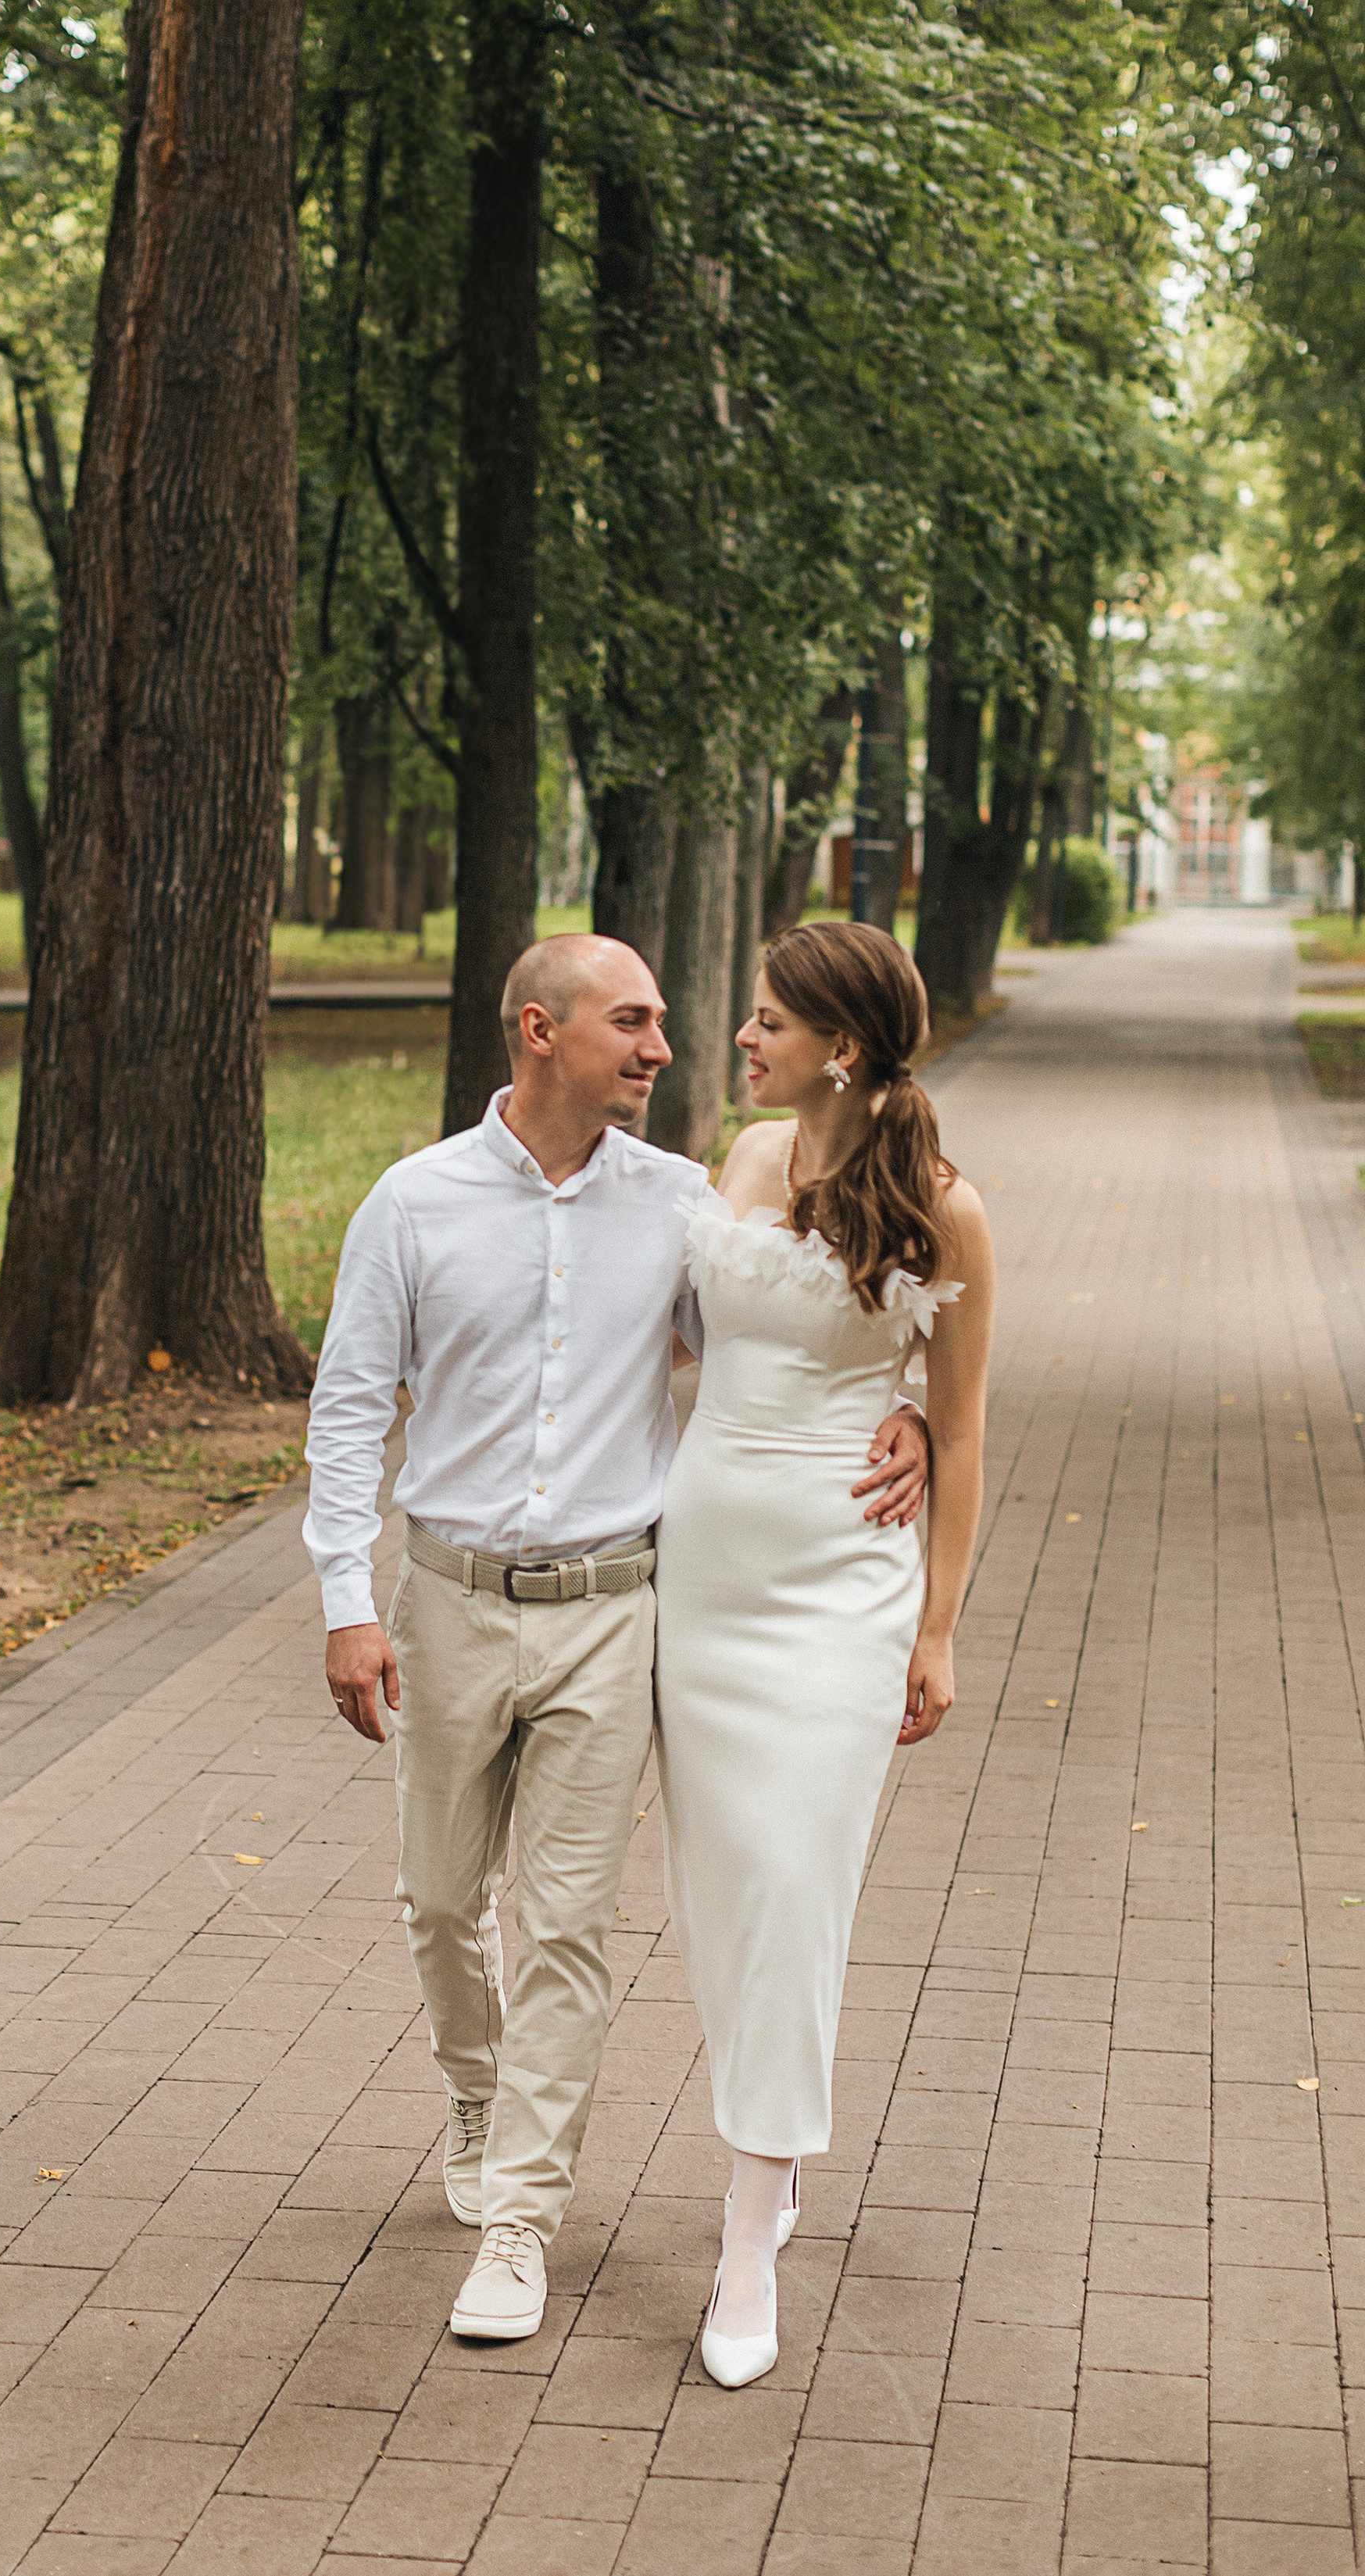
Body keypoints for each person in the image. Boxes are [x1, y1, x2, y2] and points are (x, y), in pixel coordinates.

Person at [305, 932, 928, 2345]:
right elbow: (350, 1408)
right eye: (633, 1023)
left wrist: (915, 1404)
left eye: (665, 1022)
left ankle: (521, 2220)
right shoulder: (414, 1202)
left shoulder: (680, 1202)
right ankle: (477, 2090)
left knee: (570, 1925)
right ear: (542, 1029)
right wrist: (348, 1596)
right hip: (448, 1599)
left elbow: (799, 1332)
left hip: (614, 1610)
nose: (664, 1047)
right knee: (442, 1898)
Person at [653, 920, 995, 2389]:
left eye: (771, 1016)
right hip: (703, 1582)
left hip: (840, 1597)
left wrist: (937, 1624)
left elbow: (966, 1426)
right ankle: (769, 2154)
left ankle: (747, 2230)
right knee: (724, 1889)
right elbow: (669, 1345)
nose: (744, 1034)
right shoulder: (737, 1159)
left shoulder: (947, 1208)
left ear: (842, 1043)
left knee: (796, 1886)